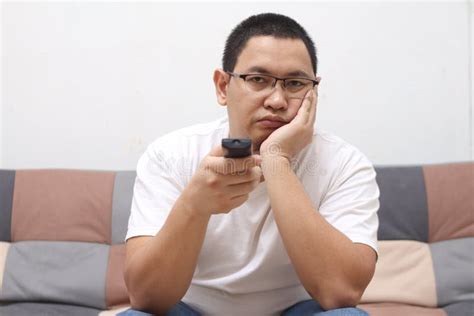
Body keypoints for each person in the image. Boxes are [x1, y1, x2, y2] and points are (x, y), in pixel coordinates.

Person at [121, 13, 379, 316]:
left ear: (314, 91)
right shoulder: (171, 154)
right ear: (222, 86)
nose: (278, 101)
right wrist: (195, 204)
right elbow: (145, 297)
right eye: (258, 80)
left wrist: (277, 160)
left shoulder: (345, 163)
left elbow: (342, 293)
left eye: (295, 83)